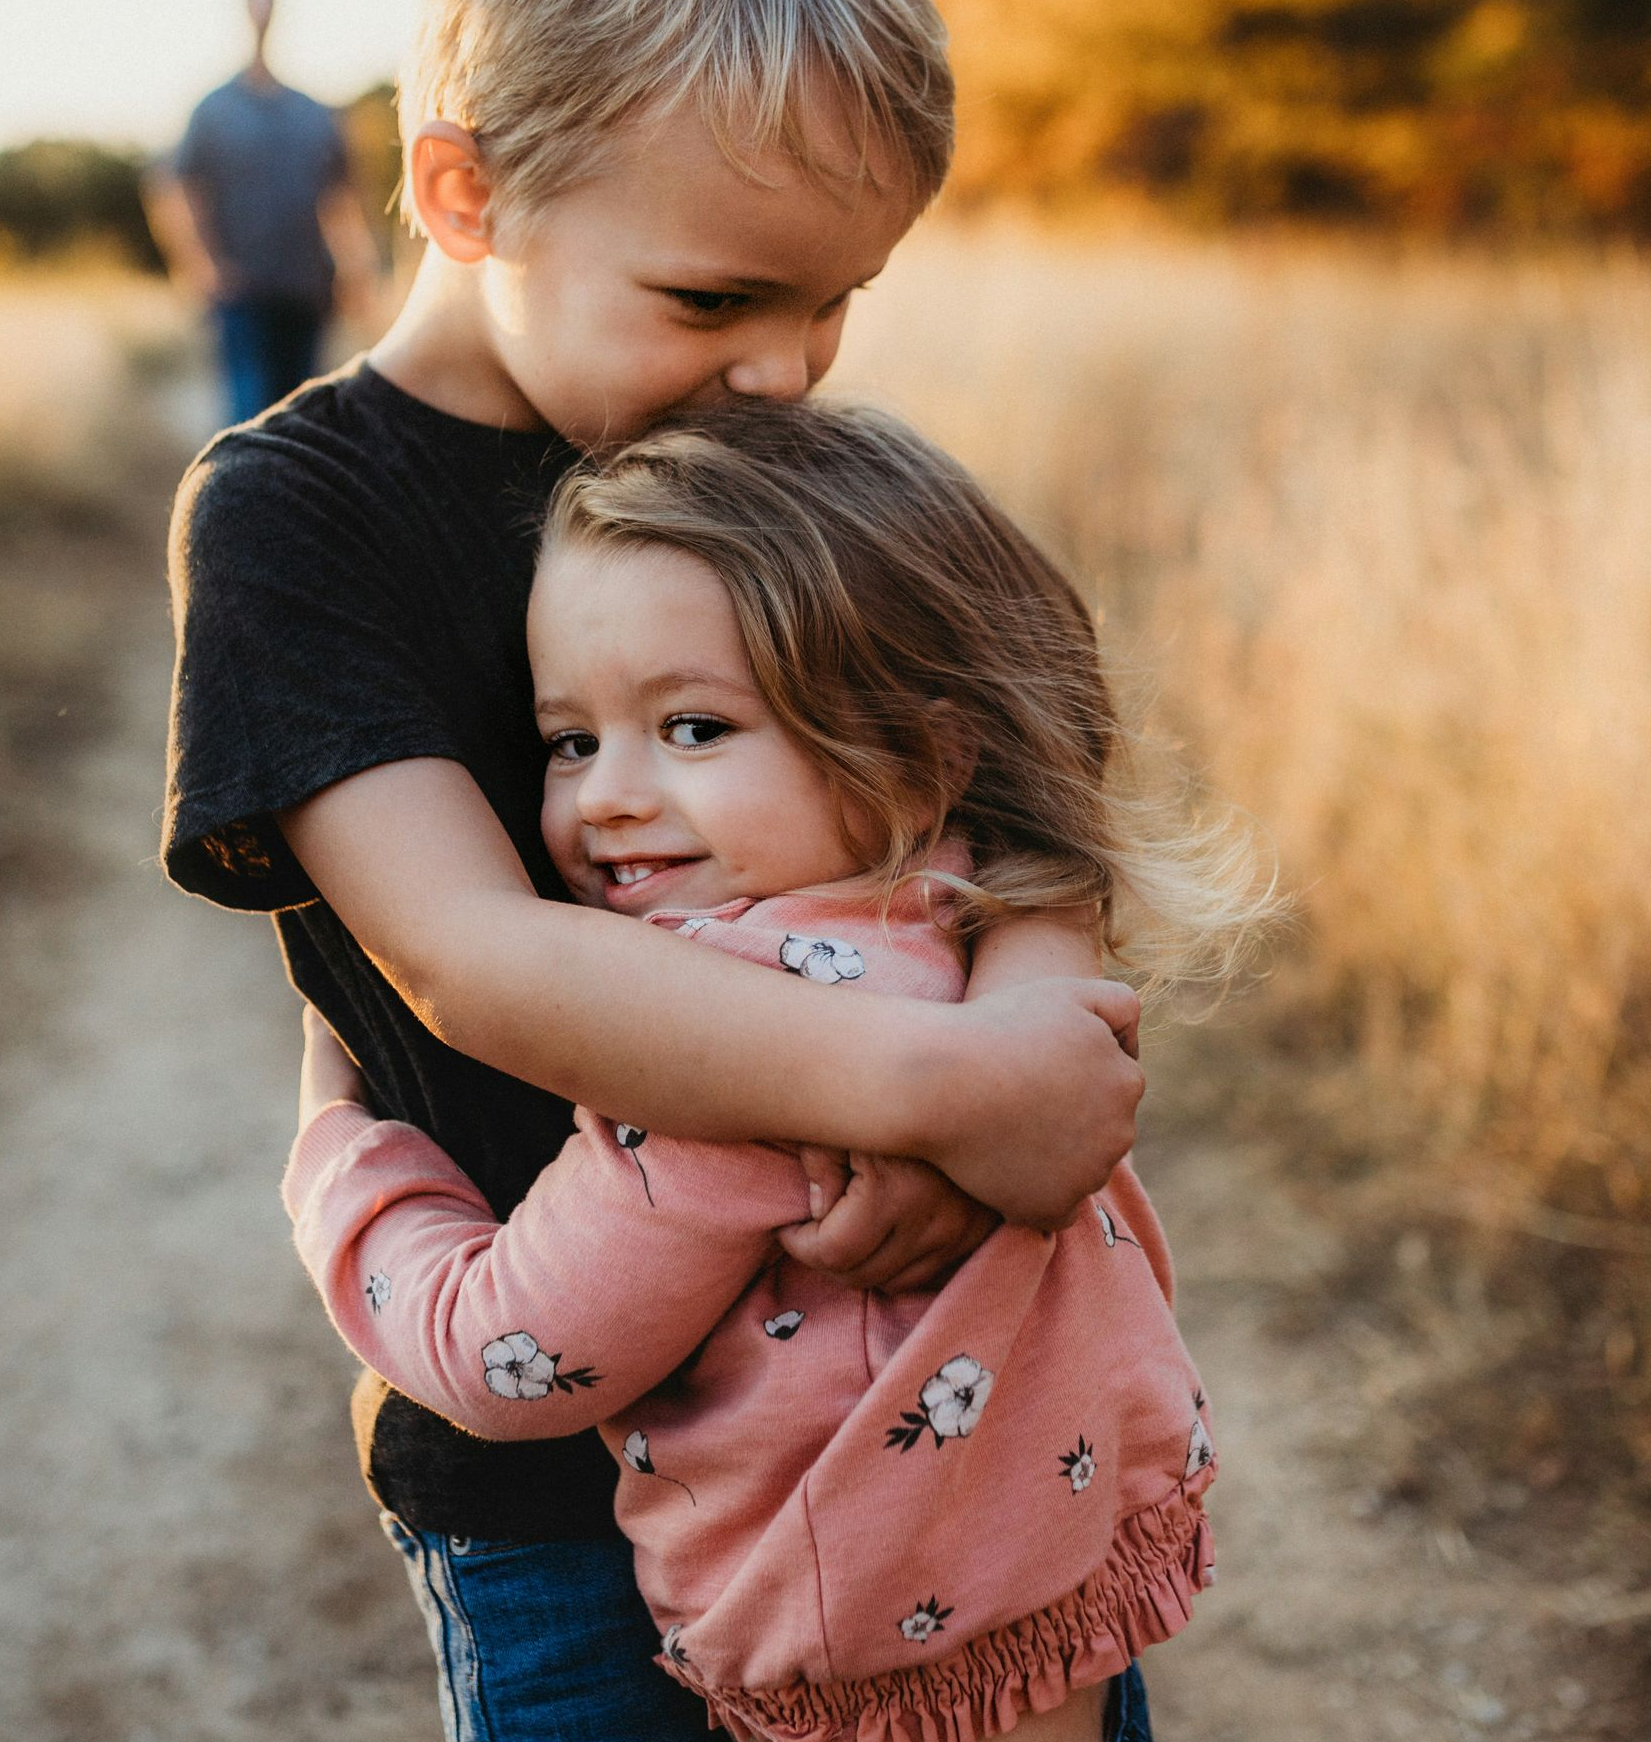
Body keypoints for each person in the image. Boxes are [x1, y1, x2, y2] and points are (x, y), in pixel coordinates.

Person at [163, 0, 1146, 1741]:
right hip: (560, 1486)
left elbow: (1028, 783)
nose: (787, 368)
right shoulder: (301, 517)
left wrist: (1038, 1048)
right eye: (716, 299)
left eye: (835, 299)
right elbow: (475, 960)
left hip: (932, 1408)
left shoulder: (770, 464)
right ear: (463, 196)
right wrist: (938, 1079)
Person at [283, 399, 1268, 1742]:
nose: (608, 796)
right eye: (570, 740)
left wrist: (345, 1151)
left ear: (922, 754)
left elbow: (503, 1353)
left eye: (692, 727)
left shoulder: (723, 1064)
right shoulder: (971, 925)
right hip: (1062, 1605)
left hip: (867, 1676)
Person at [144, 0, 379, 423]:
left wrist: (356, 271)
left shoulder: (312, 113)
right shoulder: (213, 111)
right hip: (241, 292)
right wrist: (200, 265)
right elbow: (175, 187)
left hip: (307, 288)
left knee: (298, 415)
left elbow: (341, 198)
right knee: (249, 416)